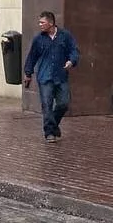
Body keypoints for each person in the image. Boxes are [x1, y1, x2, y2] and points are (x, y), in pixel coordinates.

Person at [22, 11, 80, 143]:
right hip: (45, 77)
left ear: (51, 23)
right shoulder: (38, 39)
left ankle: (53, 125)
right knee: (47, 105)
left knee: (64, 103)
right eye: (39, 22)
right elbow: (32, 57)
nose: (40, 25)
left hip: (61, 76)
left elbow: (74, 50)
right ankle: (49, 133)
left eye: (42, 22)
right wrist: (28, 73)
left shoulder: (65, 36)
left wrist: (71, 61)